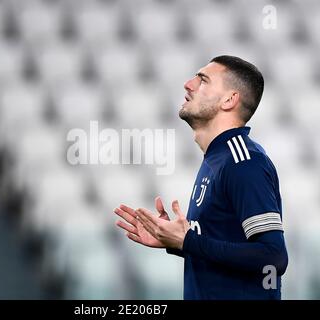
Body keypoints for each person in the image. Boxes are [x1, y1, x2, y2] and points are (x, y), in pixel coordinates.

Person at [114, 55, 288, 300]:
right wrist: (174, 241)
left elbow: (273, 258)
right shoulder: (218, 158)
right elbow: (223, 247)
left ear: (229, 100)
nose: (188, 84)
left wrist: (188, 242)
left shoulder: (243, 161)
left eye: (203, 80)